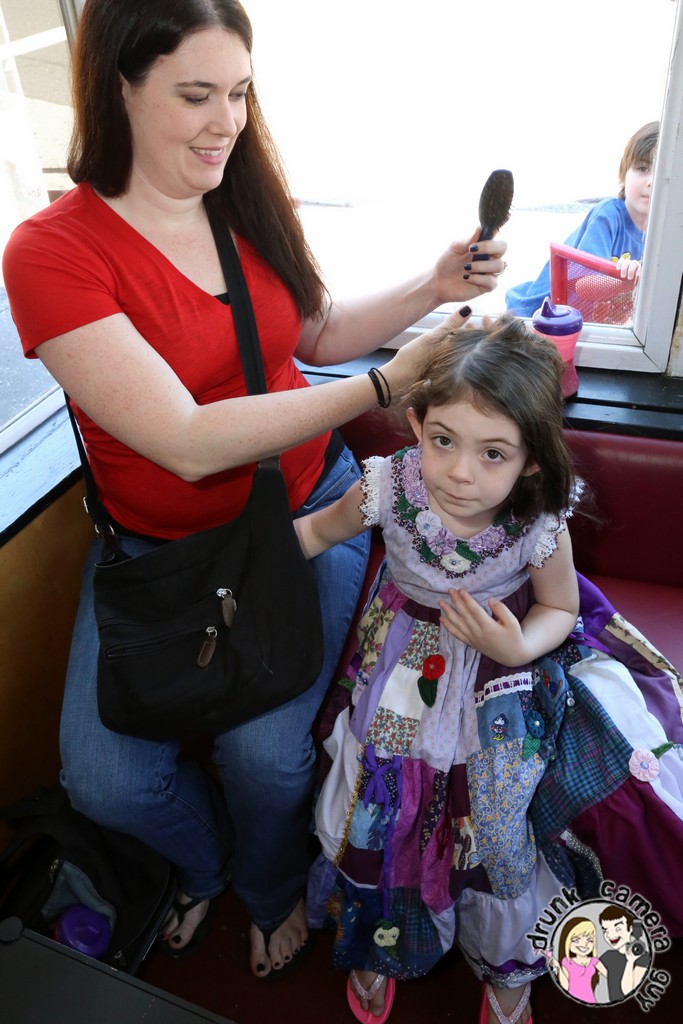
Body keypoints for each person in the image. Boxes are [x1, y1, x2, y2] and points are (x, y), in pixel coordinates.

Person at [1, 0, 508, 978]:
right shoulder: (52, 253)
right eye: (197, 95)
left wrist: (430, 287)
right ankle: (204, 866)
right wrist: (384, 388)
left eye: (238, 92)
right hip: (161, 554)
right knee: (105, 782)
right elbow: (187, 443)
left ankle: (268, 888)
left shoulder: (241, 196)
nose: (227, 122)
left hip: (307, 513)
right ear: (117, 87)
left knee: (266, 759)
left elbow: (314, 331)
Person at [293, 315, 683, 1023]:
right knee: (383, 806)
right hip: (401, 679)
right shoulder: (386, 489)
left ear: (530, 459)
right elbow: (317, 530)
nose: (460, 472)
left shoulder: (539, 522)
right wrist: (220, 564)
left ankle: (505, 964)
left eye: (493, 452)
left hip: (498, 687)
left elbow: (559, 607)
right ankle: (381, 938)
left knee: (496, 828)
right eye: (443, 440)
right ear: (416, 424)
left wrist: (518, 647)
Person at [505, 121, 659, 318]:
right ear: (622, 177)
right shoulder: (608, 215)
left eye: (662, 174)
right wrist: (628, 280)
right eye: (643, 168)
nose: (651, 181)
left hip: (583, 317)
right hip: (539, 313)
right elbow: (584, 286)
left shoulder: (661, 232)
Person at [546, 917, 607, 1004]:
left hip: (590, 1001)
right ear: (567, 941)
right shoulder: (566, 962)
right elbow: (565, 987)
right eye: (576, 940)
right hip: (571, 1003)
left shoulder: (594, 961)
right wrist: (558, 967)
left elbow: (611, 976)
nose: (584, 944)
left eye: (590, 940)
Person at [598, 907, 651, 1002]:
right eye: (605, 930)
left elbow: (628, 991)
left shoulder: (642, 957)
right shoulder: (608, 956)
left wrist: (630, 961)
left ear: (630, 929)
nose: (610, 935)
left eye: (617, 928)